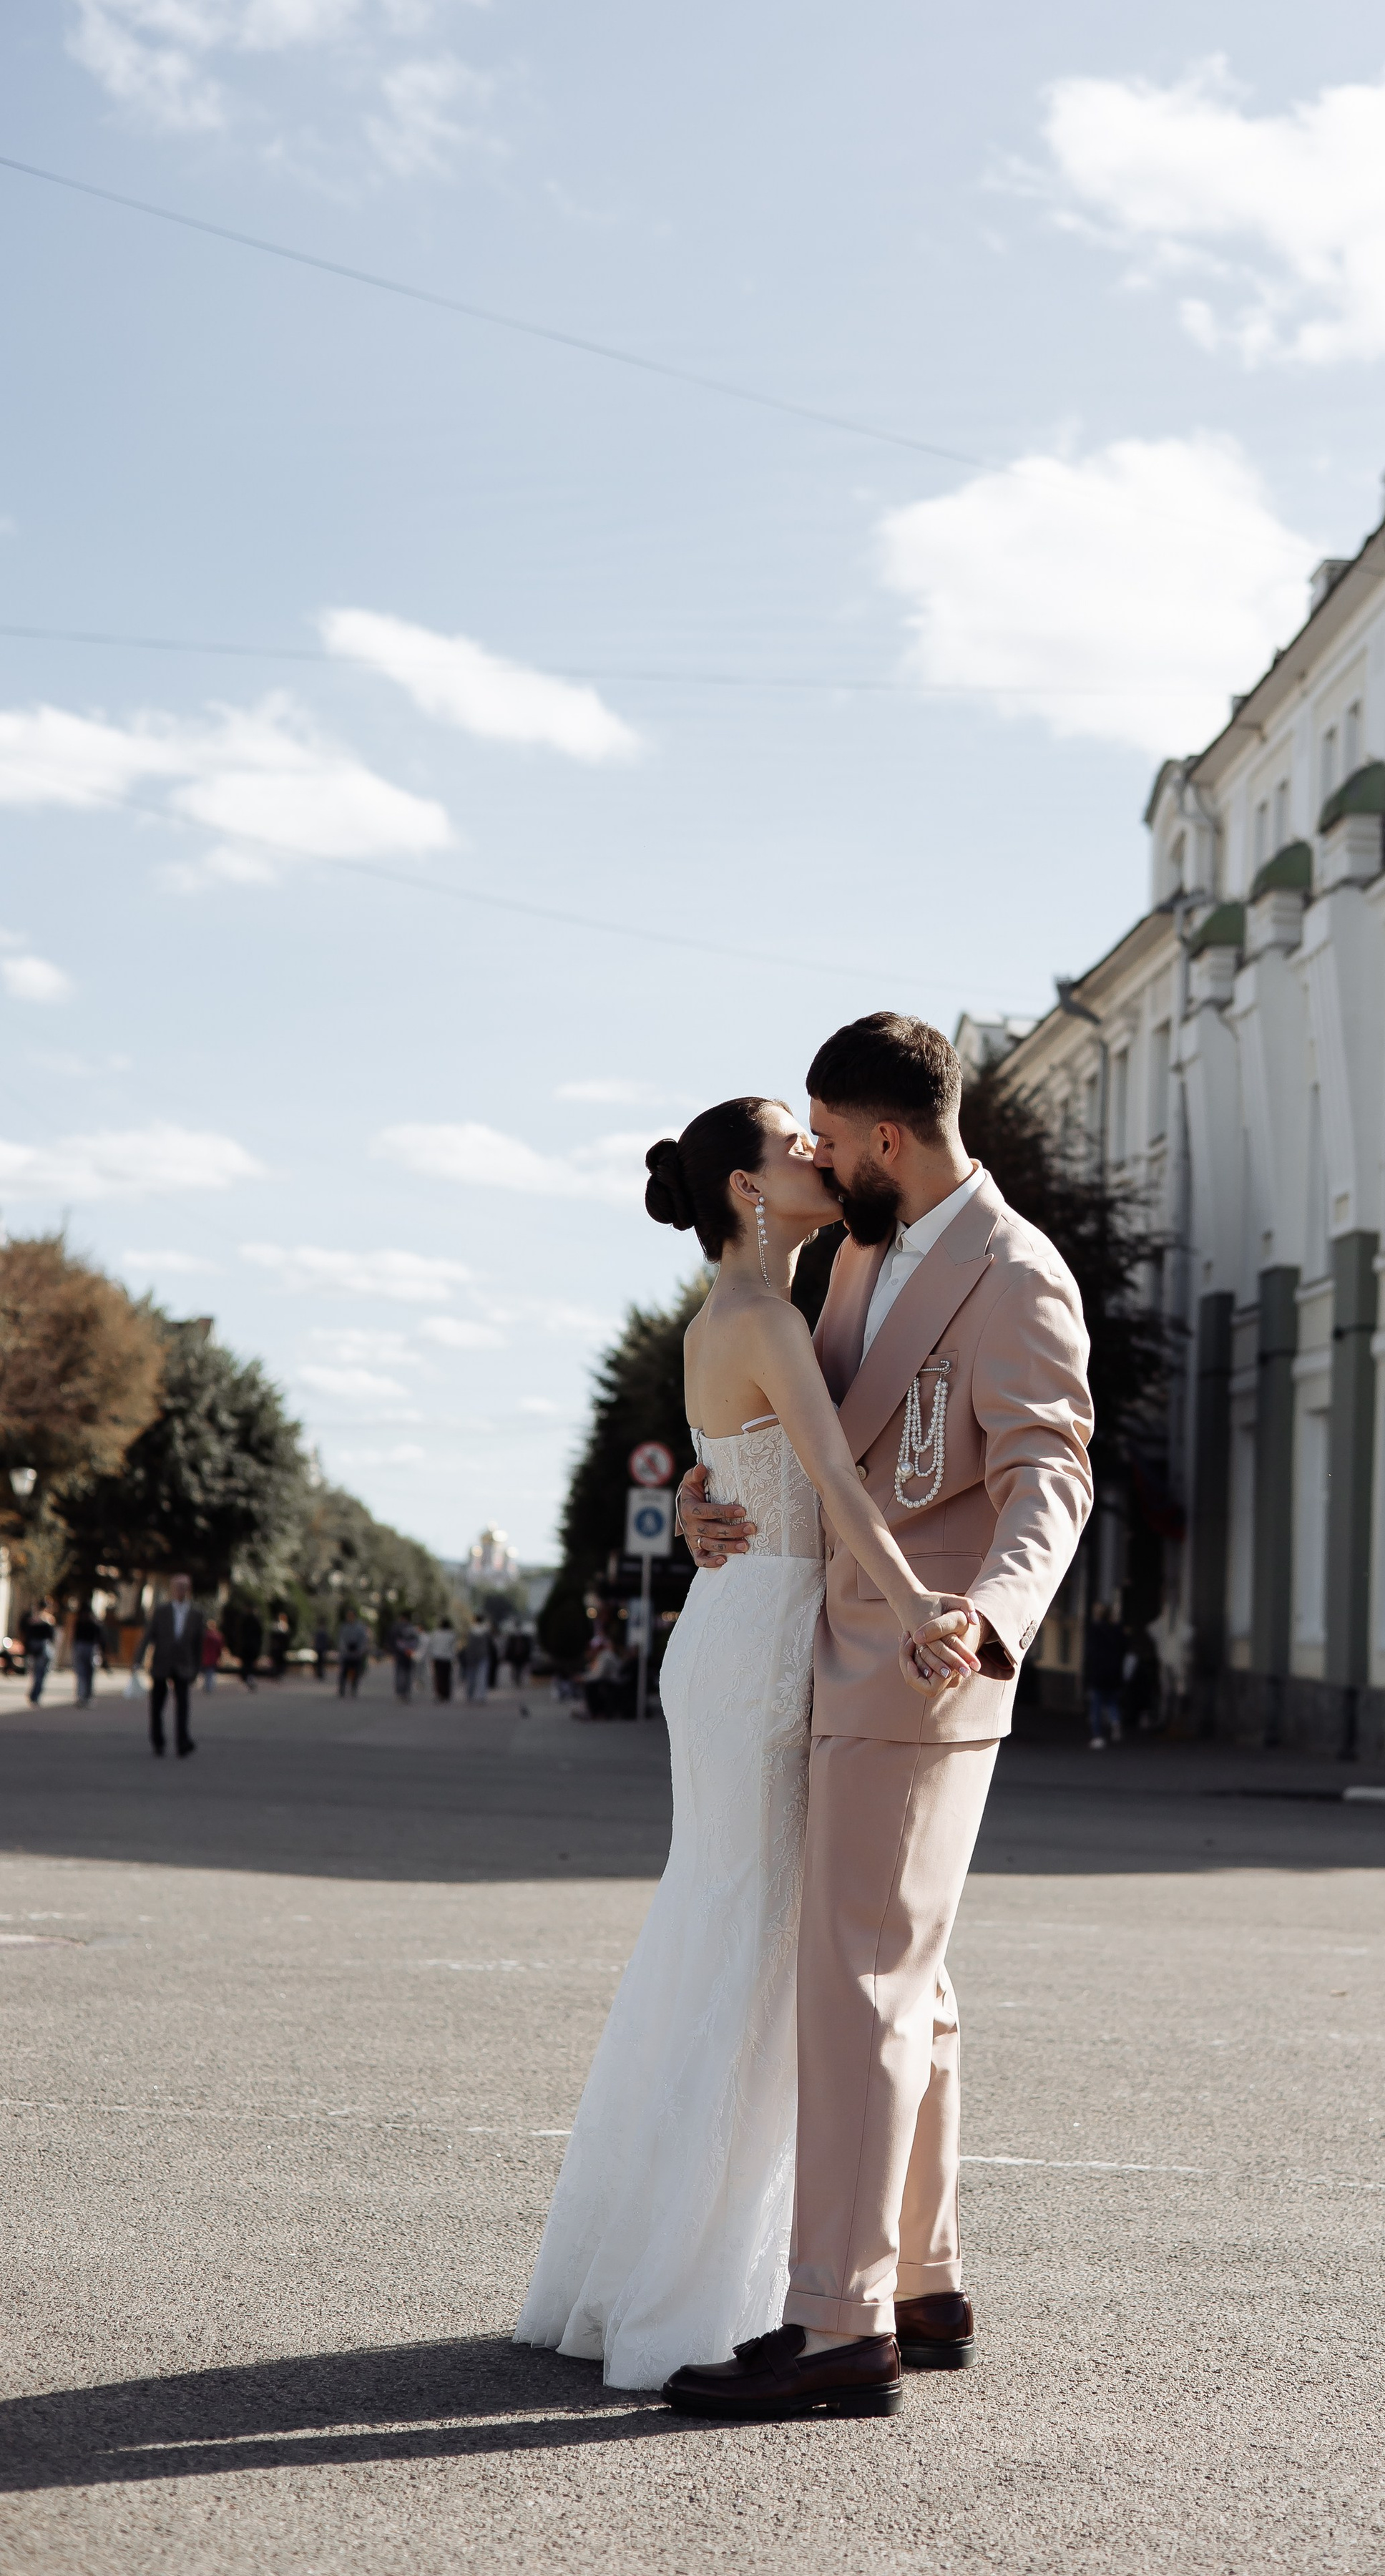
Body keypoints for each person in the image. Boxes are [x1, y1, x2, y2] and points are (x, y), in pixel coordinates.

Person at [522, 1018, 1094, 2414]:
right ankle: (920, 2278)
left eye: (827, 1138)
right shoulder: (842, 1259)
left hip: (920, 1664)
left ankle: (840, 2325)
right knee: (905, 1976)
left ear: (883, 1136)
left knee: (857, 1978)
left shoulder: (1014, 1273)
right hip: (805, 1647)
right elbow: (795, 1439)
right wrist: (715, 1508)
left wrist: (989, 1612)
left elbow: (1048, 1470)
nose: (818, 1159)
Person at [143, 1574, 205, 1757]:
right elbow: (149, 1635)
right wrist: (138, 1660)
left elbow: (198, 1644)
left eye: (184, 1587)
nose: (181, 1591)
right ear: (172, 1589)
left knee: (183, 1706)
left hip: (183, 1666)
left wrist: (197, 1668)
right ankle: (158, 1741)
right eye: (177, 1587)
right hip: (162, 1664)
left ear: (189, 1589)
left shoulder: (196, 1614)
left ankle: (183, 1742)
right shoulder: (161, 1611)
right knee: (157, 1706)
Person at [1082, 1602, 1127, 1750]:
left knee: (1096, 1706)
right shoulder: (1117, 1630)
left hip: (1098, 1672)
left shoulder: (1095, 1631)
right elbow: (1123, 1650)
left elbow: (1091, 1653)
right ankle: (1115, 1721)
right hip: (1114, 1672)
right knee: (1112, 1702)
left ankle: (1098, 1736)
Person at [24, 1602, 58, 1704]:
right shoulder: (48, 1619)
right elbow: (52, 1636)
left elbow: (27, 1634)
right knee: (40, 1673)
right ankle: (35, 1695)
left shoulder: (32, 1619)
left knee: (35, 1673)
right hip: (43, 1649)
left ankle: (34, 1694)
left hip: (33, 1649)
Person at [71, 1604, 102, 1707]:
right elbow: (100, 1637)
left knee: (81, 1674)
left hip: (81, 1647)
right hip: (90, 1648)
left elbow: (74, 1637)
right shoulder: (93, 1622)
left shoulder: (79, 1622)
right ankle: (86, 1697)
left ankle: (81, 1696)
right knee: (88, 1674)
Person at [336, 1610, 369, 1699]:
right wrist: (344, 1650)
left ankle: (354, 1688)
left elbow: (363, 1641)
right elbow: (341, 1640)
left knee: (356, 1673)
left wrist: (360, 1651)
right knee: (344, 1672)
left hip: (356, 1653)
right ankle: (342, 1689)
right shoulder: (344, 1627)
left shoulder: (360, 1628)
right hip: (346, 1653)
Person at [459, 1621, 493, 1704]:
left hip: (471, 1657)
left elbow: (465, 1645)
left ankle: (470, 1695)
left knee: (471, 1677)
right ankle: (481, 1696)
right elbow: (490, 1645)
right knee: (482, 1677)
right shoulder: (486, 1632)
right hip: (482, 1656)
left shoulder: (470, 1632)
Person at [425, 1619, 456, 1703]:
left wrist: (431, 1657)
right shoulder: (451, 1635)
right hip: (447, 1658)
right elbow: (453, 1648)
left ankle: (439, 1694)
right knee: (446, 1677)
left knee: (438, 1677)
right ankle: (446, 1694)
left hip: (438, 1658)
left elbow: (431, 1646)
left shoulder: (436, 1634)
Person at [200, 1618, 223, 1696]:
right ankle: (209, 1686)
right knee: (210, 1672)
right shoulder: (217, 1636)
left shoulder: (205, 1635)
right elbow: (219, 1648)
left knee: (208, 1672)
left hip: (206, 1657)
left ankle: (208, 1686)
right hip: (212, 1657)